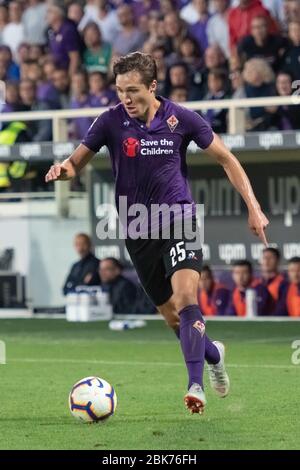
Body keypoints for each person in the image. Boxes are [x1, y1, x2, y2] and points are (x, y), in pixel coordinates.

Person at [45, 51, 269, 415]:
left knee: (185, 298)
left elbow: (227, 158)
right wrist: (62, 170)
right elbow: (75, 163)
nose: (126, 99)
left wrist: (254, 206)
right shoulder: (109, 122)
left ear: (152, 86)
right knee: (173, 319)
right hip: (136, 228)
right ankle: (213, 353)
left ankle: (195, 385)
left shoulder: (181, 119)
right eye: (120, 91)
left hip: (179, 218)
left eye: (133, 90)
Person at [260, 247, 287, 314]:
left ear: (277, 261)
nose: (266, 261)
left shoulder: (285, 283)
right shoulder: (257, 283)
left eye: (270, 258)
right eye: (264, 258)